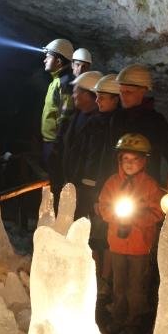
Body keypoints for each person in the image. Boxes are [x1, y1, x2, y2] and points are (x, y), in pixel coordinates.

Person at [97, 133, 164, 334]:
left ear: (144, 161)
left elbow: (158, 211)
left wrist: (137, 217)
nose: (130, 164)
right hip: (117, 244)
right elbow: (103, 205)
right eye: (126, 159)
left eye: (135, 160)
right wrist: (114, 215)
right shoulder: (112, 183)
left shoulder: (150, 186)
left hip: (139, 246)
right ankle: (118, 317)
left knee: (136, 287)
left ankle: (133, 322)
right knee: (119, 284)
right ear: (119, 160)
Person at [78, 75, 123, 304]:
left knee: (103, 234)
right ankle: (95, 276)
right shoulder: (97, 121)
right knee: (94, 234)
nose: (98, 101)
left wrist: (99, 191)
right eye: (98, 97)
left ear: (116, 99)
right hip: (90, 185)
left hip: (103, 188)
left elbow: (106, 160)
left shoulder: (115, 124)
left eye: (103, 98)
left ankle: (104, 280)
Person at [112, 64, 168, 183]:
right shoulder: (117, 118)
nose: (123, 96)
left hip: (147, 185)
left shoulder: (155, 121)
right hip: (118, 184)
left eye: (128, 92)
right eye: (121, 91)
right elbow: (109, 153)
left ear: (143, 91)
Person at [53, 70, 103, 206]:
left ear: (87, 95)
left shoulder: (99, 122)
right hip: (71, 180)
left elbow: (94, 156)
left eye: (76, 92)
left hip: (85, 187)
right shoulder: (77, 115)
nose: (73, 95)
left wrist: (87, 184)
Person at [39, 38, 76, 165]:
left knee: (55, 180)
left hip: (56, 143)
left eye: (48, 57)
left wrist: (57, 146)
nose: (44, 60)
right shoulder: (57, 80)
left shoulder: (65, 82)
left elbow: (65, 117)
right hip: (51, 141)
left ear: (59, 61)